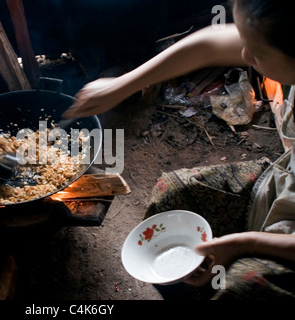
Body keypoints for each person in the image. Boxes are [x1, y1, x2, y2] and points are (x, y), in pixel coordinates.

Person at [63, 0, 295, 299]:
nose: (244, 55)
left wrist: (245, 244)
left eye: (258, 52)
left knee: (239, 287)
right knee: (173, 194)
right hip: (285, 187)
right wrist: (123, 84)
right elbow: (211, 44)